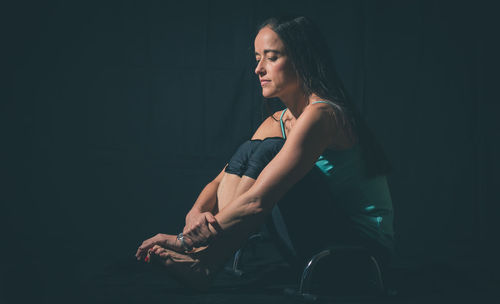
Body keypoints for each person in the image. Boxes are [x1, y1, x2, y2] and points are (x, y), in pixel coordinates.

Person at [135, 16, 394, 290]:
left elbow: (258, 201)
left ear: (302, 59)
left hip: (358, 256)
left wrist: (185, 240)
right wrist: (196, 214)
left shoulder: (323, 114)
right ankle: (204, 262)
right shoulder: (277, 122)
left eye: (271, 57)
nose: (258, 69)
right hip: (316, 245)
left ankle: (206, 261)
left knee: (269, 149)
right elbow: (220, 181)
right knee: (253, 148)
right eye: (258, 58)